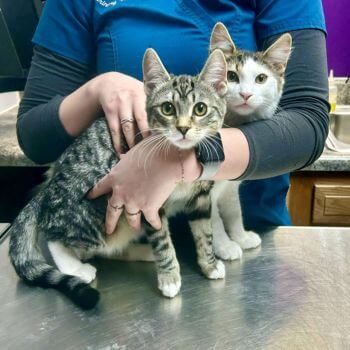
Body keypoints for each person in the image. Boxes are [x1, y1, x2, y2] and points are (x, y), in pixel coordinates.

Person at [17, 0, 329, 234]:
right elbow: (35, 136)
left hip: (245, 236)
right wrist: (98, 88)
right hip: (115, 238)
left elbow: (308, 124)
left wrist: (185, 160)